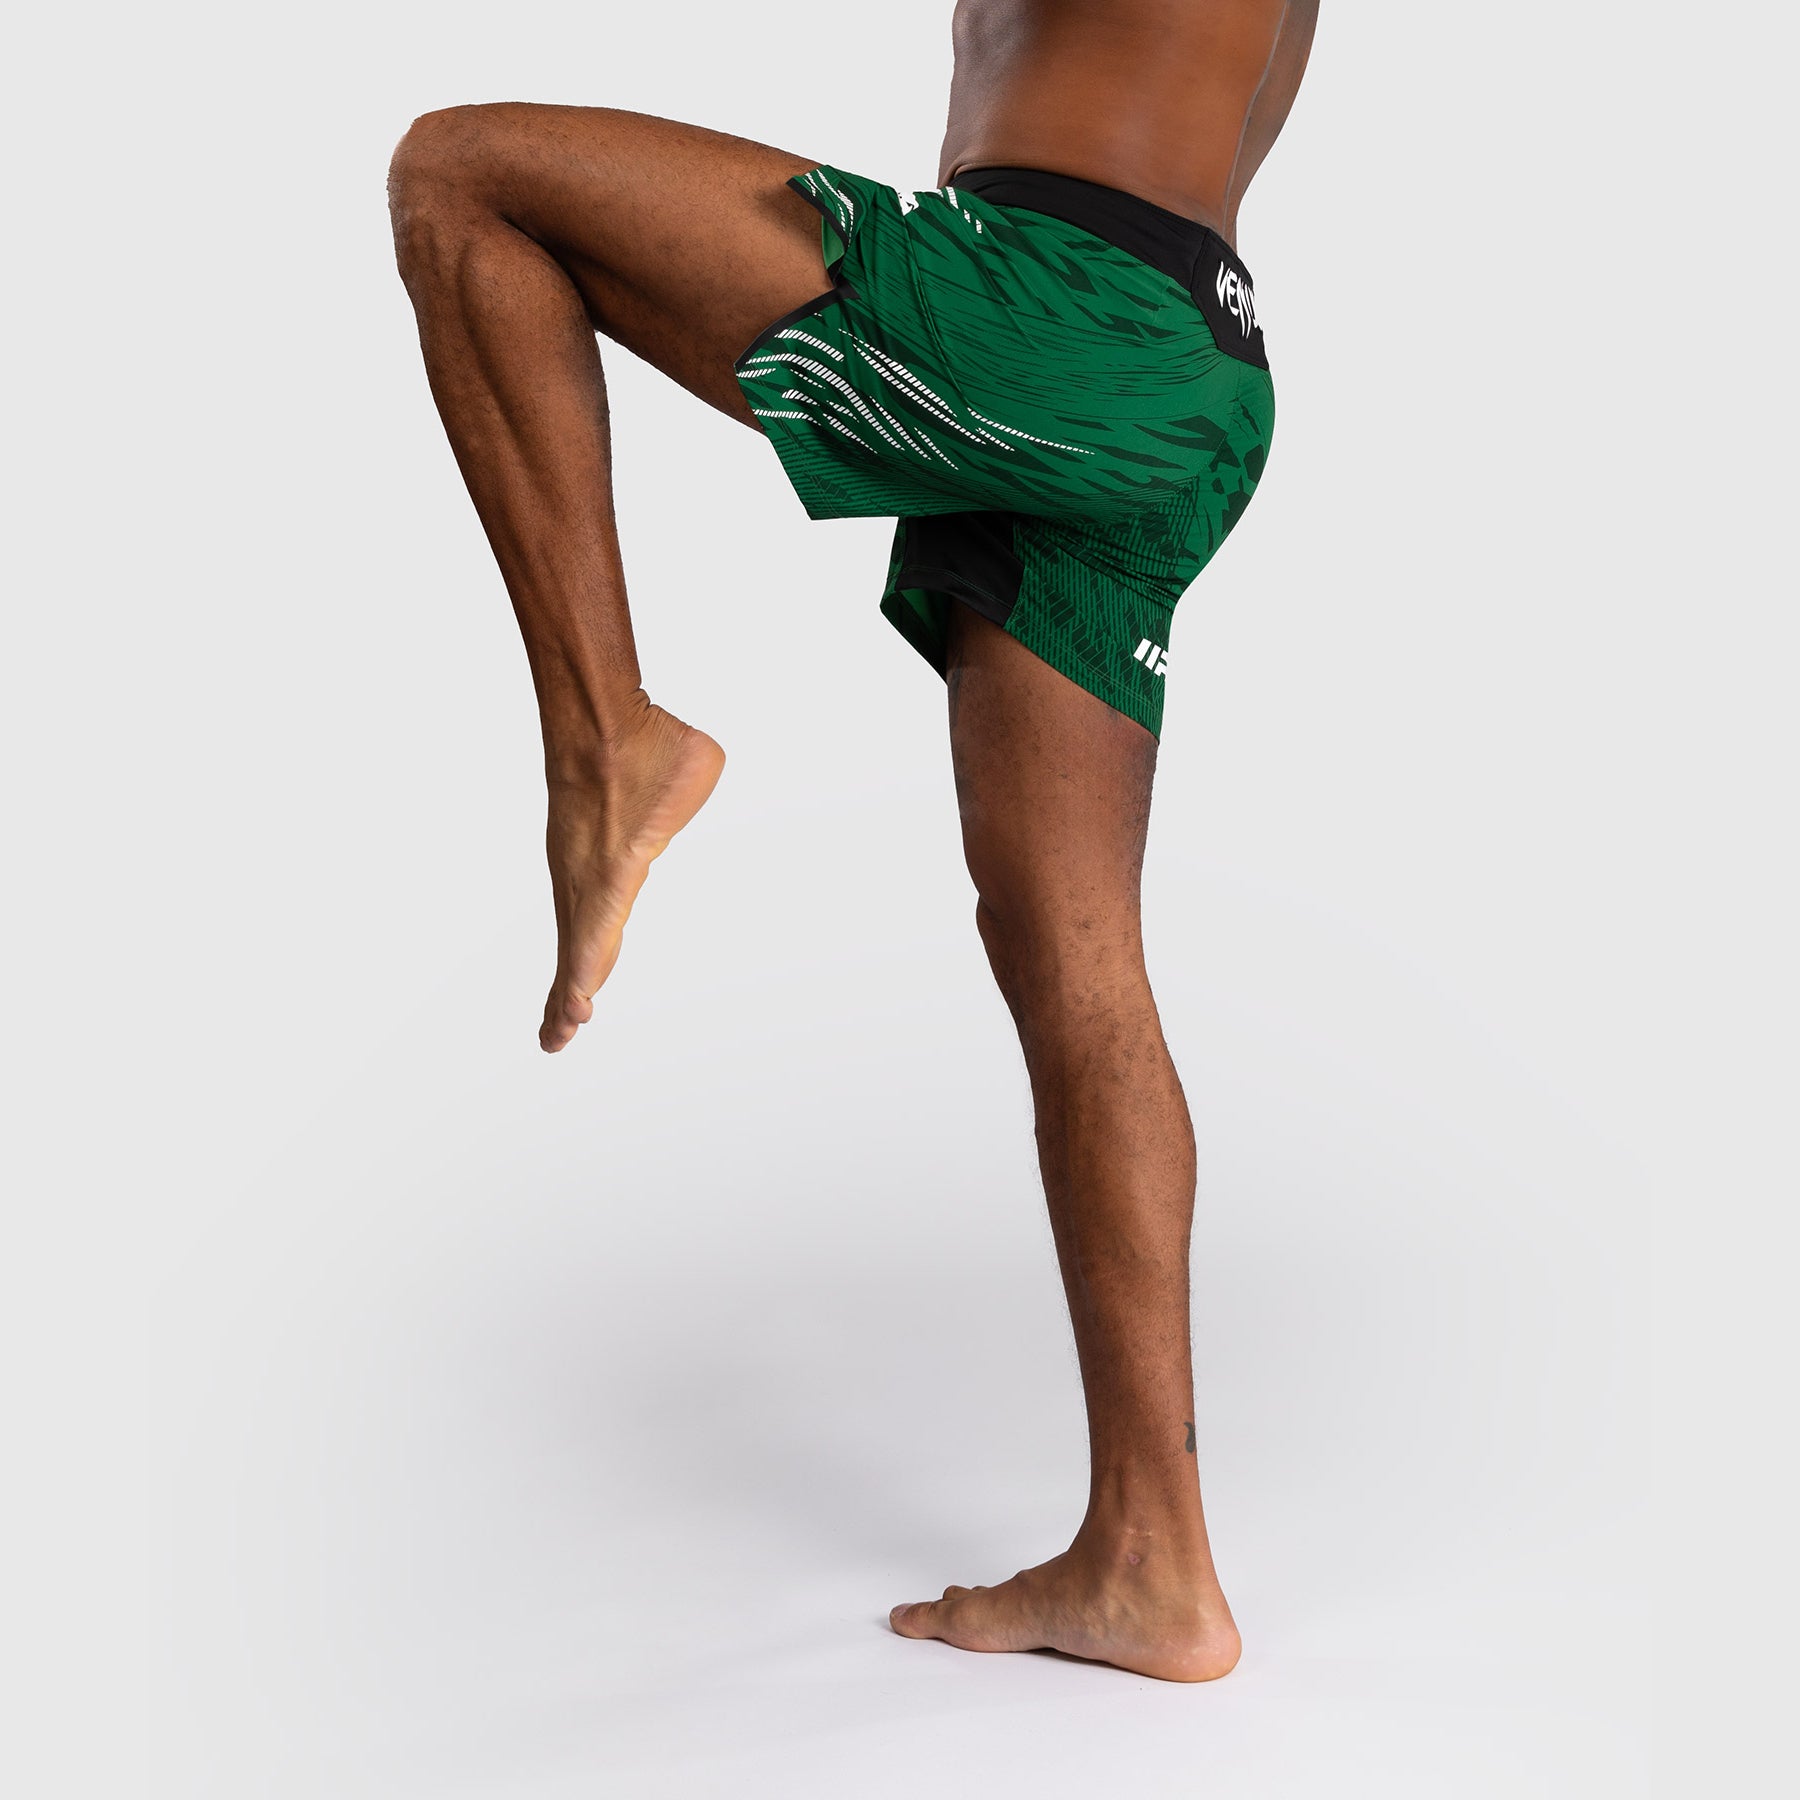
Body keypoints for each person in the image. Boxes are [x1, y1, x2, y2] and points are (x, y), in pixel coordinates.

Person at [388, 0, 1319, 1684]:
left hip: (1064, 311)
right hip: (1189, 357)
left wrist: (1036, 329)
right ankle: (1152, 1564)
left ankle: (607, 743)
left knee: (465, 178)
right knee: (1074, 962)